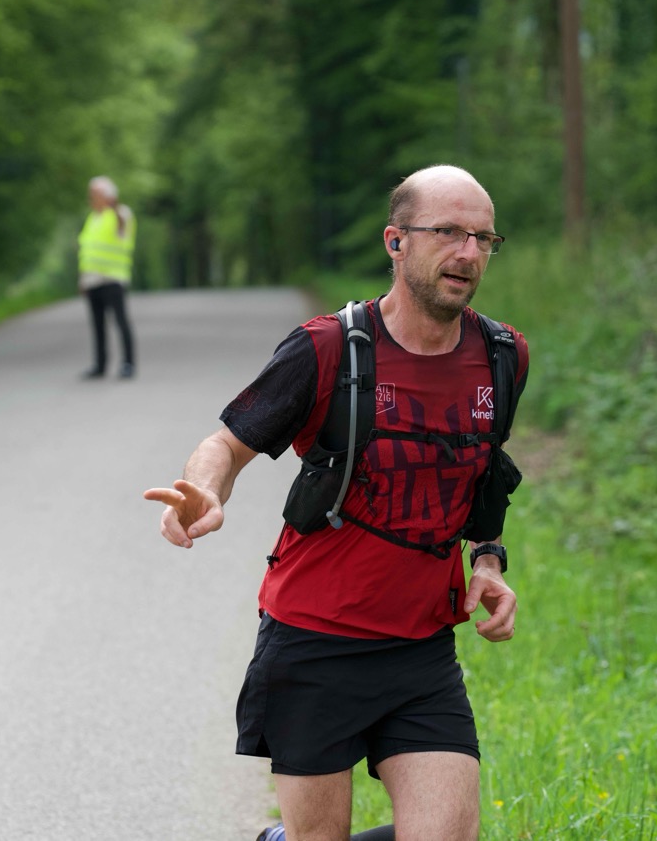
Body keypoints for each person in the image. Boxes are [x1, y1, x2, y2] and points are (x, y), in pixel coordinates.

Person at [144, 165, 527, 841]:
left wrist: (488, 561)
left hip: (421, 651)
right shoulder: (327, 348)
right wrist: (205, 487)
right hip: (313, 641)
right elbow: (227, 443)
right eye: (447, 232)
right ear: (395, 241)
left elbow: (479, 480)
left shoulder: (502, 356)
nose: (468, 252)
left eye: (483, 238)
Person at [77, 175, 136, 379]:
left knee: (120, 321)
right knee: (97, 324)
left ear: (108, 195)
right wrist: (83, 278)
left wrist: (113, 206)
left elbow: (122, 228)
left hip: (113, 277)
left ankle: (128, 363)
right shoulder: (93, 218)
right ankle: (100, 365)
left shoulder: (121, 213)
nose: (92, 198)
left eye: (96, 194)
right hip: (92, 279)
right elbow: (87, 251)